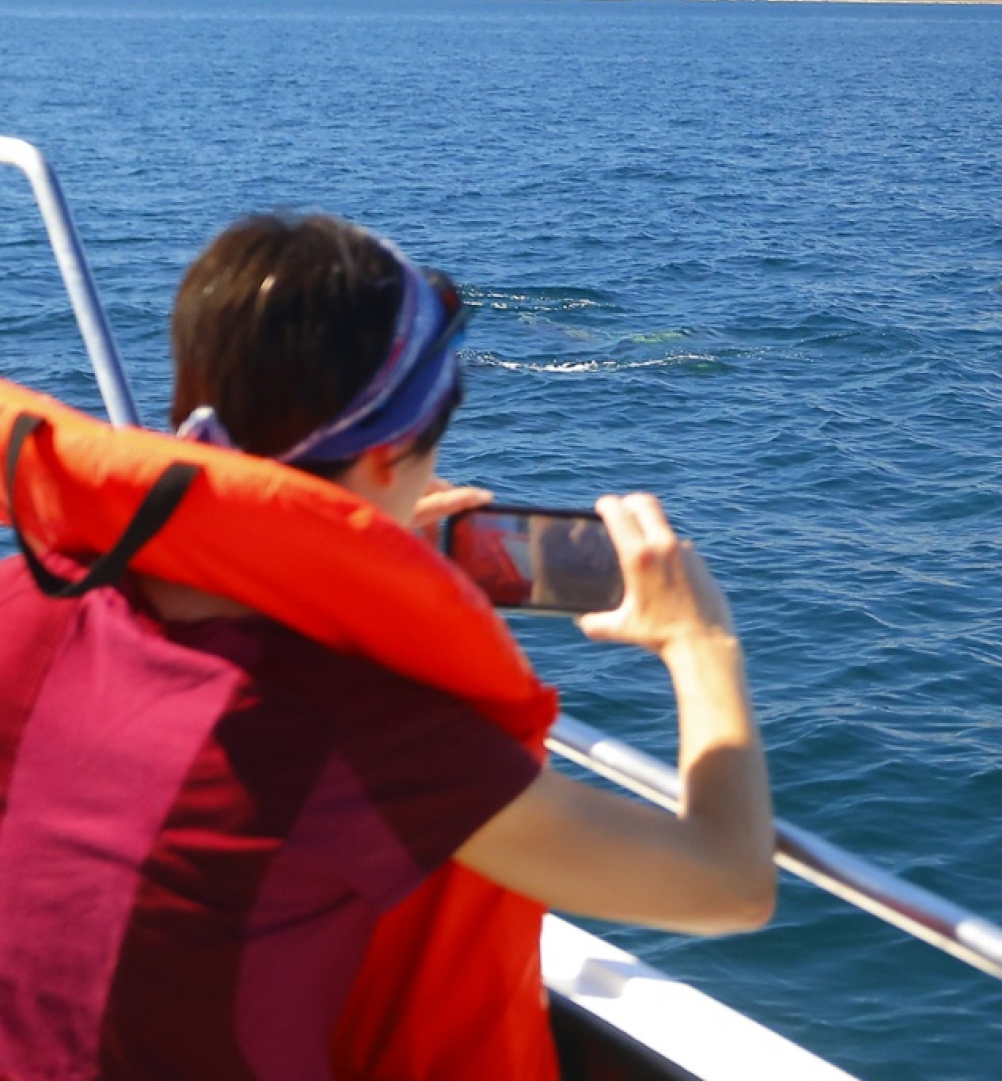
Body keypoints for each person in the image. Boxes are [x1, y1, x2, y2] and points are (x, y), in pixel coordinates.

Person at [0, 213, 775, 1080]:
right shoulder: (356, 727)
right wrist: (699, 638)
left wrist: (353, 557)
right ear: (391, 455)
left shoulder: (30, 592)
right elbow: (727, 882)